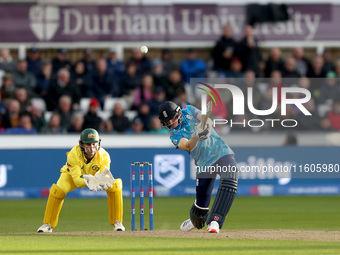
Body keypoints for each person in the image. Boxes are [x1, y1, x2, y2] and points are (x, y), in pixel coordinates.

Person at [158, 101, 238, 233]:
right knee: (200, 211)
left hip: (221, 151)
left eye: (172, 119)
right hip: (203, 163)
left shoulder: (188, 110)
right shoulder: (174, 135)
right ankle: (193, 221)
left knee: (230, 179)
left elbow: (205, 119)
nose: (171, 123)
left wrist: (206, 124)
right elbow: (189, 146)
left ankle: (215, 221)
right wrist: (197, 134)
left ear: (178, 113)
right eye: (167, 122)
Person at [37, 128, 125, 232]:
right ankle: (47, 225)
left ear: (98, 143)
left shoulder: (104, 155)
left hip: (94, 178)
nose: (91, 148)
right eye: (88, 144)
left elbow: (103, 175)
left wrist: (99, 179)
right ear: (81, 144)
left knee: (115, 186)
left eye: (93, 144)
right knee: (58, 191)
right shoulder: (73, 154)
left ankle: (117, 223)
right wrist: (90, 181)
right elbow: (77, 181)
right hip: (71, 175)